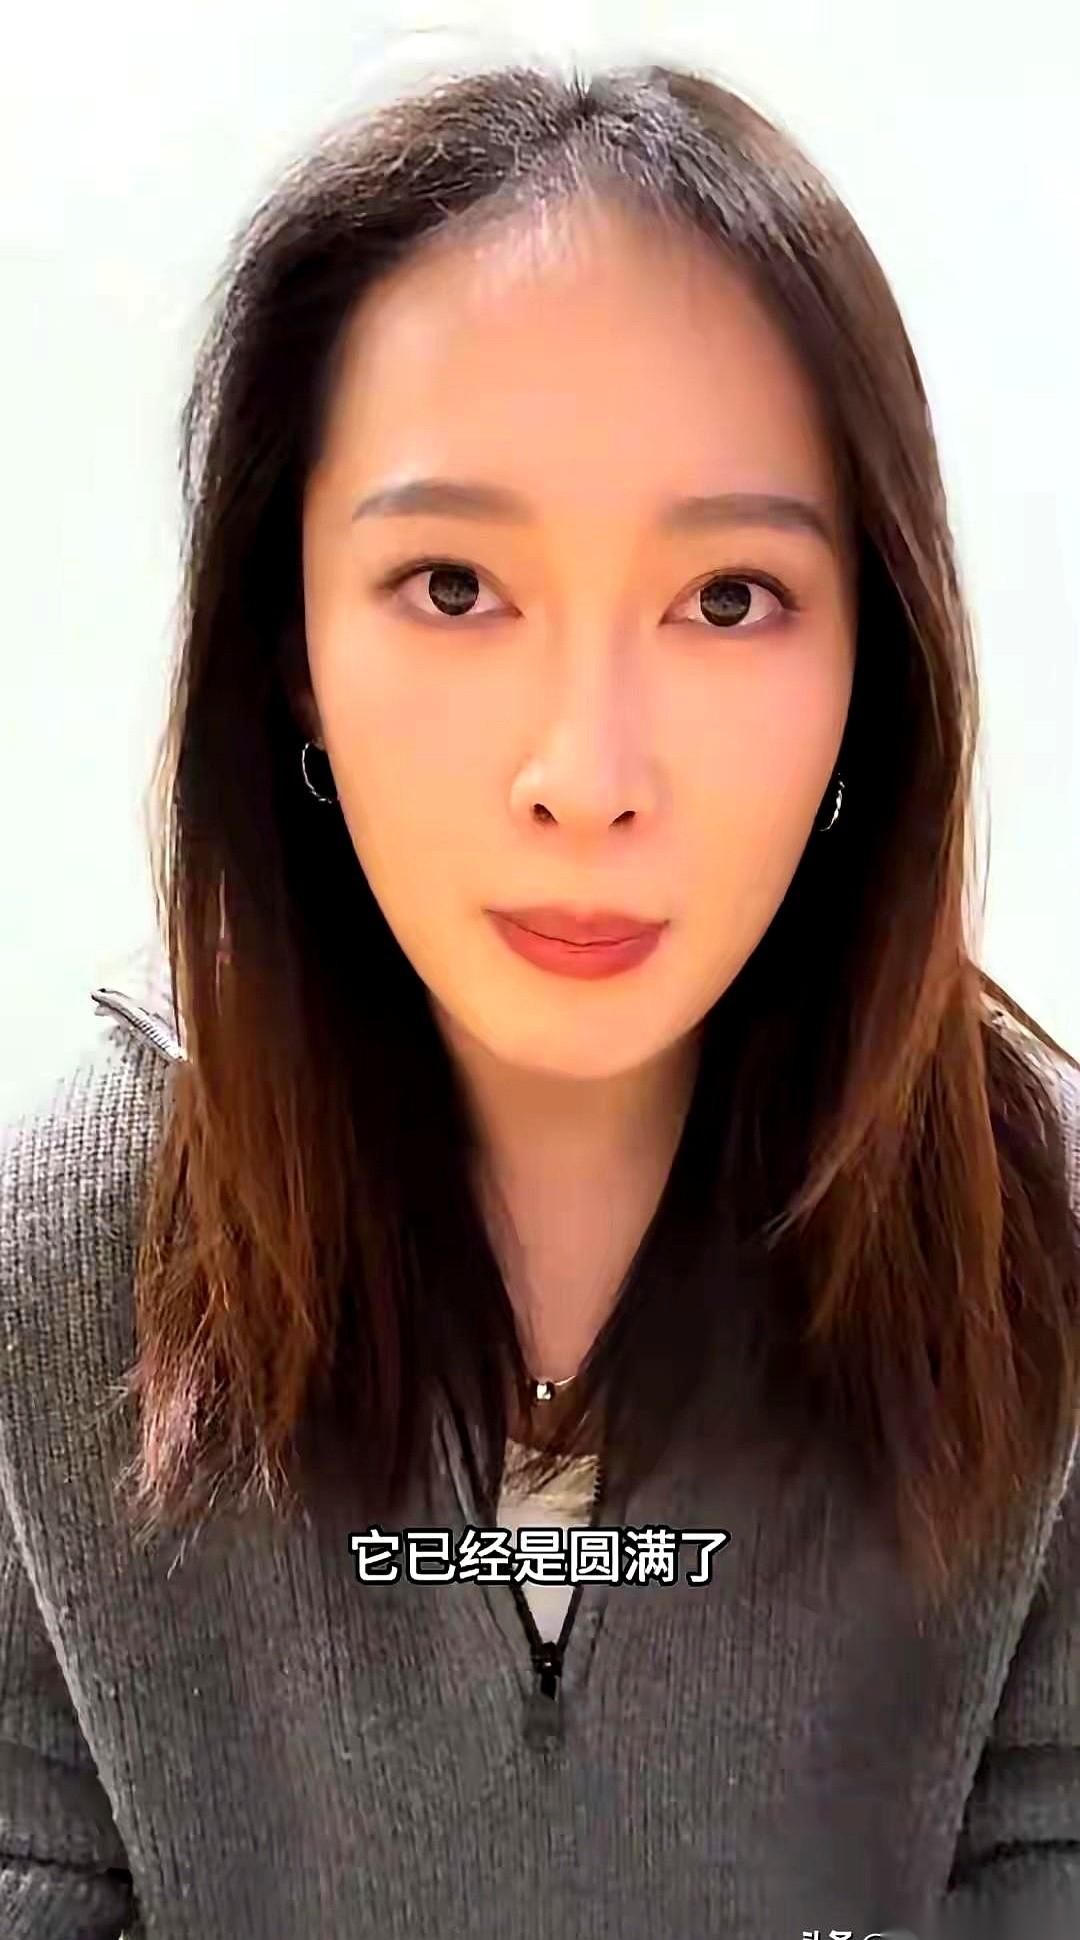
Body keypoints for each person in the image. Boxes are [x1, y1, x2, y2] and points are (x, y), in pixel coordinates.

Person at [1, 56, 1077, 1940]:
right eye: (452, 587)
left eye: (728, 598)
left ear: (875, 668)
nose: (587, 774)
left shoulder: (1037, 1248)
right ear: (291, 647)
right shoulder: (63, 1265)